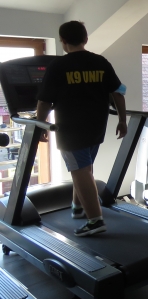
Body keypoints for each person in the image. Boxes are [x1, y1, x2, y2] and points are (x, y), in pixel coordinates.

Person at [36, 21, 127, 237]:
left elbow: (44, 101)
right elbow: (118, 93)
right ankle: (78, 207)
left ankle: (95, 220)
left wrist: (40, 125)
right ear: (86, 39)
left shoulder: (58, 66)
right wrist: (122, 120)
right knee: (84, 168)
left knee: (80, 170)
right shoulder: (100, 62)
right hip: (97, 126)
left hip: (70, 129)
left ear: (63, 41)